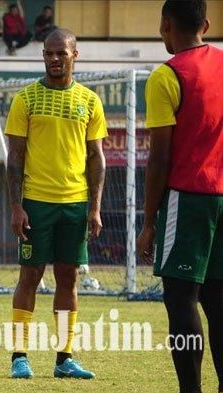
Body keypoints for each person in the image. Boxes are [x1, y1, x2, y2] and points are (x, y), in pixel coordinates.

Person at [5, 29, 106, 380]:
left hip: (75, 204)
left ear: (74, 55)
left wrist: (94, 208)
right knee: (30, 276)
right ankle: (19, 356)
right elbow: (14, 158)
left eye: (61, 53)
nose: (53, 59)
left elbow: (96, 158)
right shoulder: (26, 98)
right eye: (48, 53)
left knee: (69, 278)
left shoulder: (90, 101)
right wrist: (16, 207)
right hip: (36, 202)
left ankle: (65, 358)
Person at [136, 1, 223, 392]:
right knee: (220, 301)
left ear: (164, 25)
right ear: (205, 24)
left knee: (181, 297)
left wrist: (149, 220)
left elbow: (160, 157)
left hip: (189, 198)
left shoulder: (167, 76)